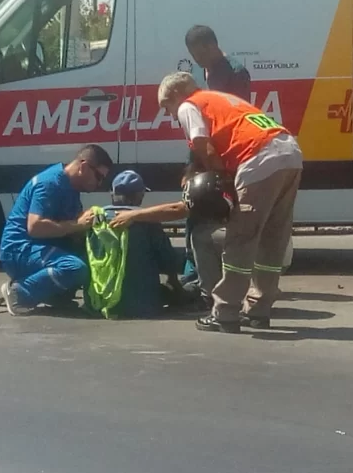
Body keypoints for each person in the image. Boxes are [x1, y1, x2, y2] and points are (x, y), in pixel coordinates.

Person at [110, 72, 302, 334]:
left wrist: (223, 183)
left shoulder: (190, 104)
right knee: (273, 237)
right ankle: (259, 310)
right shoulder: (222, 99)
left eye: (166, 108)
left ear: (175, 96)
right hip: (289, 153)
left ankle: (225, 312)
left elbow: (205, 148)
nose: (169, 116)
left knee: (240, 239)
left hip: (258, 158)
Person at [181, 25, 253, 305]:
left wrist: (219, 164)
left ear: (211, 46)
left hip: (221, 153)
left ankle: (212, 279)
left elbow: (237, 116)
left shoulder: (235, 72)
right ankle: (194, 272)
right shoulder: (202, 73)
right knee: (192, 204)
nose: (197, 60)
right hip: (201, 149)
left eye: (199, 53)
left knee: (214, 212)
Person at [0, 144, 114, 316]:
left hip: (41, 247)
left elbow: (71, 226)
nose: (100, 183)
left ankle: (54, 295)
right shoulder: (50, 183)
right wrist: (78, 225)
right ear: (83, 166)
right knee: (75, 267)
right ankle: (19, 292)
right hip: (19, 250)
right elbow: (35, 227)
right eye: (98, 177)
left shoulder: (72, 188)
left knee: (94, 257)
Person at [99, 170, 192, 318]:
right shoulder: (147, 220)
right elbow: (168, 260)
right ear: (139, 195)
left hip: (101, 301)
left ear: (112, 193)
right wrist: (175, 286)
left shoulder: (95, 218)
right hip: (142, 304)